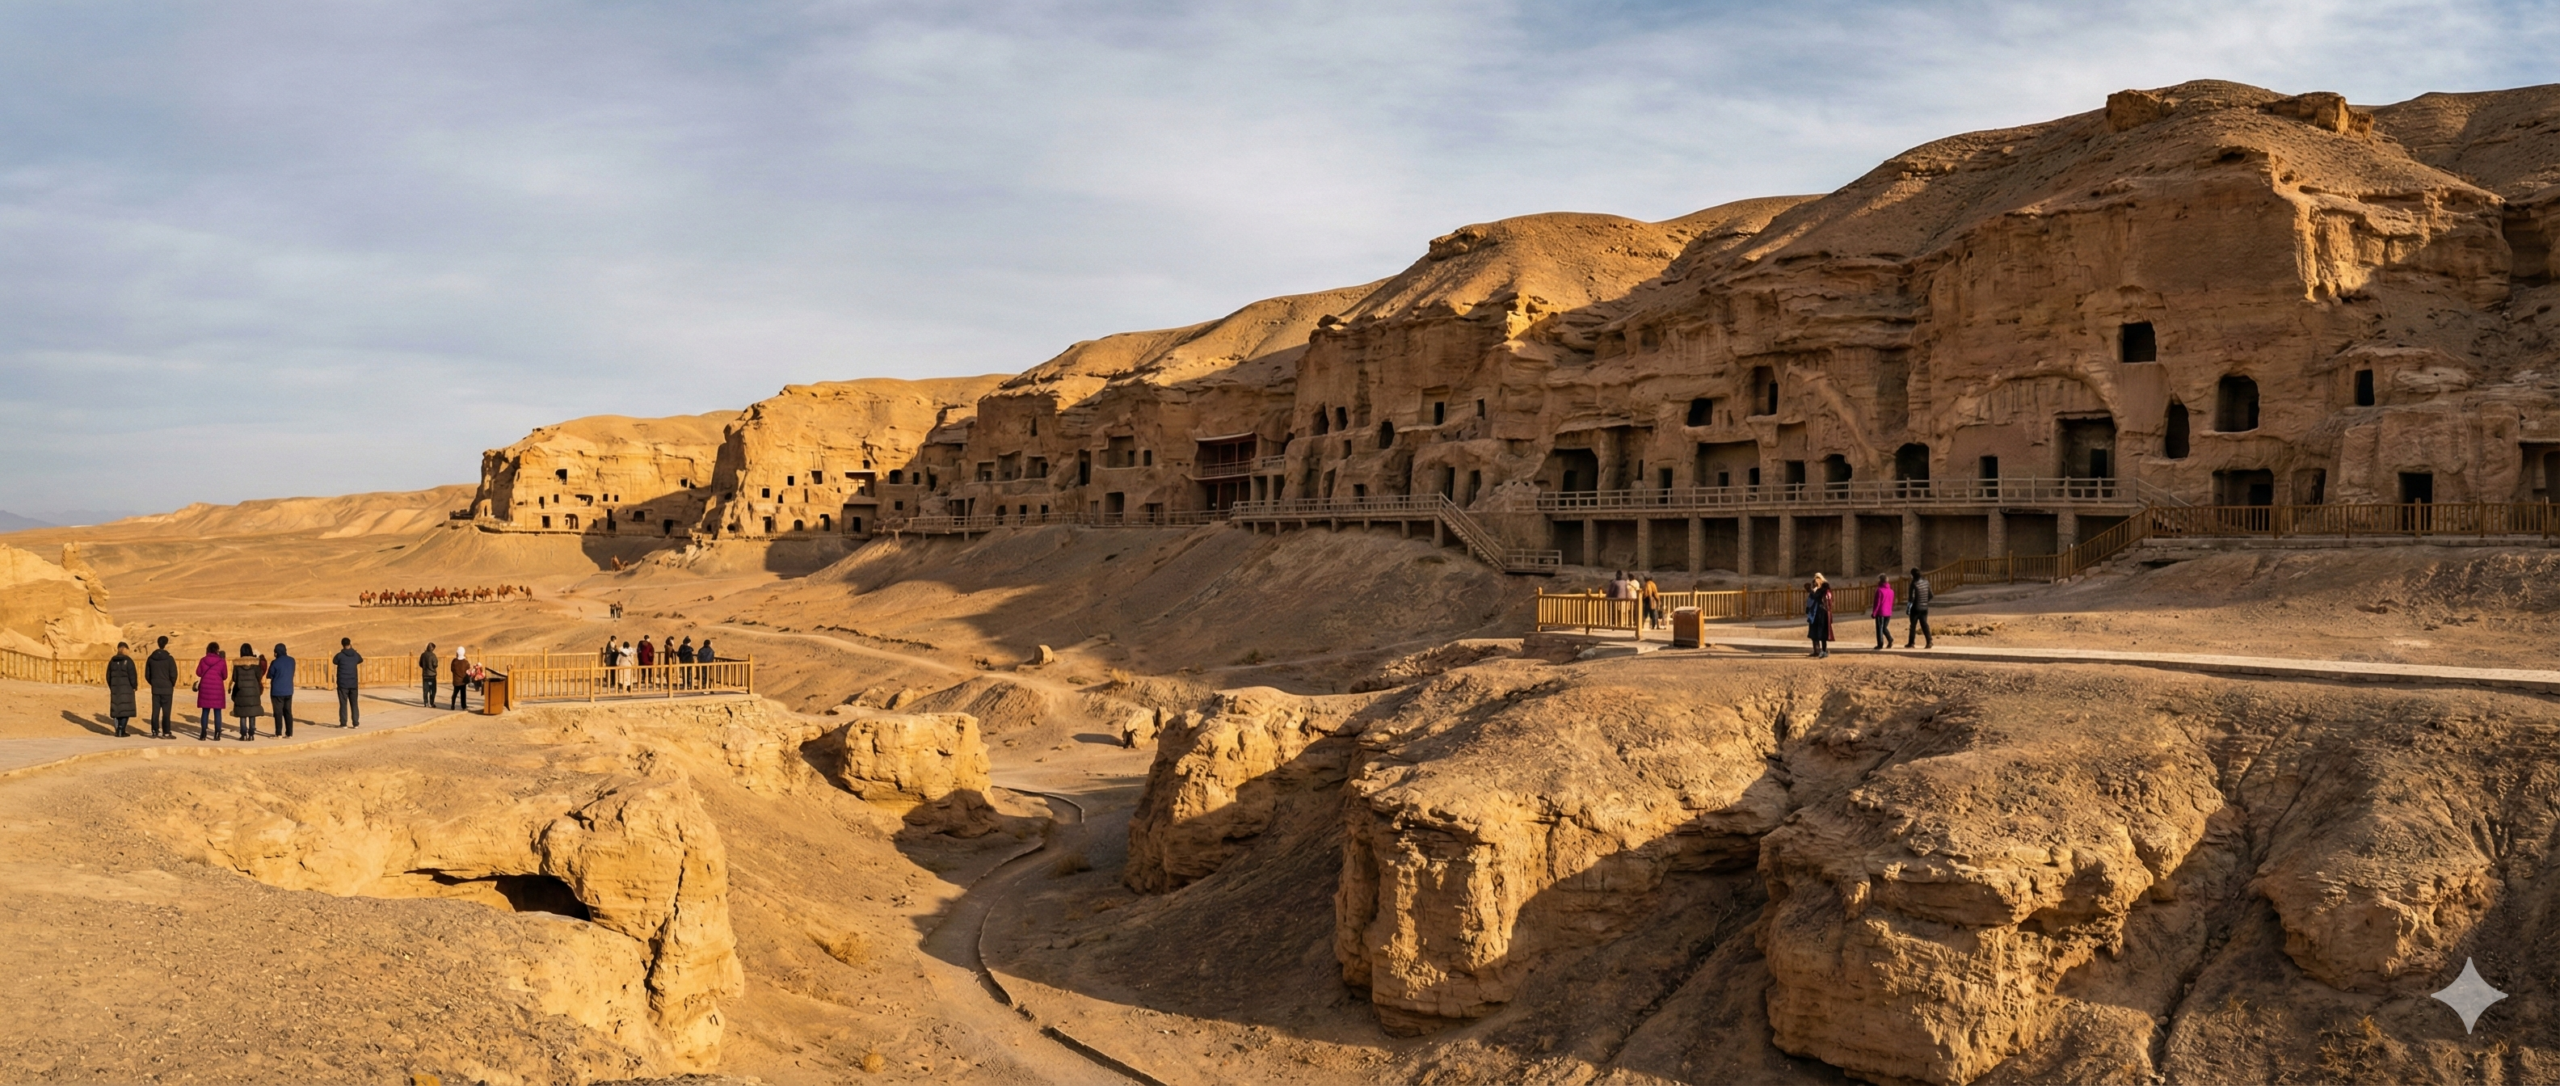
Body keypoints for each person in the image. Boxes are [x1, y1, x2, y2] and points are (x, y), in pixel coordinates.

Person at [193, 642, 228, 740]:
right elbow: (225, 676)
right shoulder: (221, 661)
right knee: (217, 712)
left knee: (205, 711)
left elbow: (198, 673)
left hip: (205, 688)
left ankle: (203, 733)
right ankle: (217, 734)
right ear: (217, 650)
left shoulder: (203, 660)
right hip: (217, 689)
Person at [231, 643, 265, 741]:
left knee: (242, 713)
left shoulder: (237, 664)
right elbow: (259, 676)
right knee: (252, 712)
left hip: (241, 692)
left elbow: (234, 678)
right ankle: (251, 734)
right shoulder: (255, 663)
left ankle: (243, 734)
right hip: (253, 691)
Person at [145, 636, 178, 739]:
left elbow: (147, 674)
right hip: (167, 688)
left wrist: (153, 683)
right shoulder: (169, 659)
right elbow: (173, 674)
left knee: (155, 710)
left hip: (156, 688)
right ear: (166, 644)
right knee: (166, 711)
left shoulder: (151, 658)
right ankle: (166, 732)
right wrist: (171, 684)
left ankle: (155, 731)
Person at [106, 642, 138, 738]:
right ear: (125, 649)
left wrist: (112, 686)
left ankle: (118, 730)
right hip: (126, 689)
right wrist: (134, 686)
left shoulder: (112, 661)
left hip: (116, 688)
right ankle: (121, 729)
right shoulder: (128, 661)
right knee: (125, 710)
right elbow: (132, 675)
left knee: (117, 709)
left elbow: (108, 676)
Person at [333, 637, 364, 728]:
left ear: (342, 645)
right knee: (354, 703)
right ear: (350, 643)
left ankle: (343, 723)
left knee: (343, 703)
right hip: (353, 683)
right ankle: (355, 723)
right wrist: (353, 650)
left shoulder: (340, 655)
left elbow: (334, 661)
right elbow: (360, 659)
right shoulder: (355, 654)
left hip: (343, 683)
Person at [269, 642, 297, 738]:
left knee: (278, 712)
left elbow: (269, 675)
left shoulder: (275, 662)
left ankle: (278, 733)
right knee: (288, 711)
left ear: (276, 652)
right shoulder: (292, 660)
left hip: (277, 691)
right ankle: (289, 733)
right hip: (289, 690)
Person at [1805, 574, 1834, 659]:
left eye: (1817, 581)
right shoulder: (1816, 591)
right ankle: (1816, 651)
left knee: (1823, 634)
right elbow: (1810, 601)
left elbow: (1826, 601)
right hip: (1815, 615)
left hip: (1822, 614)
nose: (1815, 583)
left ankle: (1824, 651)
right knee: (1814, 633)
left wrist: (1812, 591)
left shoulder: (1825, 591)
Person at [1905, 567, 1935, 649]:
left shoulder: (1913, 584)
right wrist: (1925, 601)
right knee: (1924, 625)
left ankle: (1911, 643)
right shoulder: (1926, 582)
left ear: (1912, 575)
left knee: (1913, 626)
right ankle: (1929, 641)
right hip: (1924, 607)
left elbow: (1911, 598)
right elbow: (1931, 595)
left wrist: (1908, 609)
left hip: (1915, 608)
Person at [1869, 574, 1896, 651]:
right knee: (1884, 628)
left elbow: (1877, 603)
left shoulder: (1879, 590)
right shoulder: (1891, 591)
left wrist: (1874, 612)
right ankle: (1890, 639)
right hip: (1888, 612)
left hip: (1880, 612)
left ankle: (1880, 644)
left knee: (1879, 628)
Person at [448, 647, 472, 711]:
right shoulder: (466, 662)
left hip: (456, 681)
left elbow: (452, 669)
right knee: (463, 694)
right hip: (463, 681)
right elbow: (468, 671)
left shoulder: (454, 661)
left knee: (455, 693)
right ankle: (463, 706)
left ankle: (452, 705)